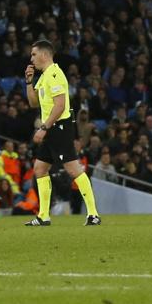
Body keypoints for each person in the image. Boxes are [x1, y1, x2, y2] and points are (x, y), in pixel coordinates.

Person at [24, 39, 101, 227]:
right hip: (51, 128)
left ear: (44, 54)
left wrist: (43, 128)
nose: (31, 58)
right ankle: (43, 216)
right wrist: (28, 81)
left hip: (59, 127)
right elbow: (34, 103)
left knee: (73, 169)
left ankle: (93, 214)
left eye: (34, 54)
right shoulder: (43, 77)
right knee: (40, 169)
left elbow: (60, 106)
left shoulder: (56, 75)